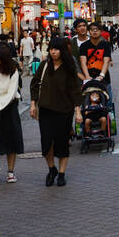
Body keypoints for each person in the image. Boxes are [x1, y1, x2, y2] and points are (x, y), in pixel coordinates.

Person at [30, 36, 82, 186]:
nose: (53, 52)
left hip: (64, 111)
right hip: (45, 110)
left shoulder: (69, 67)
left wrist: (78, 111)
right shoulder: (44, 65)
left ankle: (61, 173)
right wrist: (33, 104)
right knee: (46, 143)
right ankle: (51, 168)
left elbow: (75, 91)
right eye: (51, 49)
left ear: (62, 51)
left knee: (62, 143)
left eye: (56, 49)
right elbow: (34, 84)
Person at [0, 43, 23, 185]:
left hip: (9, 109)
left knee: (11, 141)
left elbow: (11, 93)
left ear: (2, 58)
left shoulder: (13, 71)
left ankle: (10, 172)